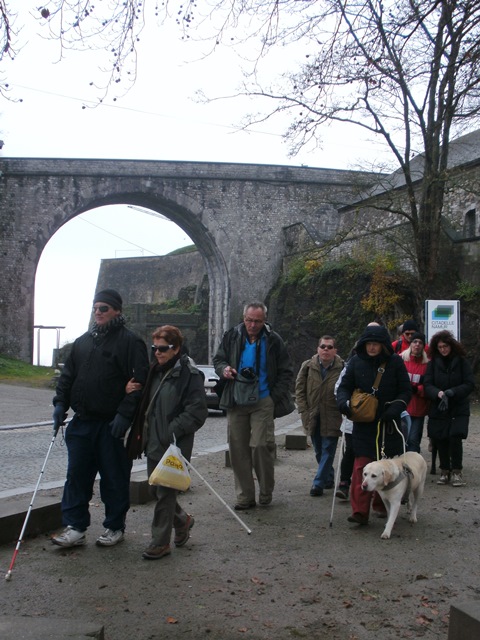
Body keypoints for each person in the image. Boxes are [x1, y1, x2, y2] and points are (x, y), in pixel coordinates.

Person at [51, 289, 150, 548]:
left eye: (104, 308)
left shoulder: (131, 342)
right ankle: (75, 526)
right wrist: (60, 404)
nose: (98, 312)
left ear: (117, 310)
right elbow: (67, 377)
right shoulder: (82, 342)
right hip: (82, 422)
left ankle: (114, 526)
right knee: (76, 476)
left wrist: (124, 415)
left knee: (114, 478)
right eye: (95, 308)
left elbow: (140, 382)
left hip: (111, 425)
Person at [128, 325, 208, 560]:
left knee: (164, 493)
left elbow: (197, 411)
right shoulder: (155, 370)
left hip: (174, 445)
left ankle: (160, 543)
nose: (158, 352)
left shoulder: (189, 374)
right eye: (155, 348)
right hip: (154, 441)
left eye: (163, 348)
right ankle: (183, 520)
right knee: (155, 488)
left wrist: (171, 431)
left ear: (177, 348)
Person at [213, 301, 294, 510]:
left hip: (263, 400)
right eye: (249, 320)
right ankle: (245, 497)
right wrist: (224, 370)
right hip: (236, 399)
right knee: (237, 450)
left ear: (264, 320)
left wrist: (273, 397)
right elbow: (218, 360)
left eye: (257, 321)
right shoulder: (231, 336)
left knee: (260, 446)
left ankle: (266, 491)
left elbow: (286, 371)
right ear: (244, 318)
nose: (252, 325)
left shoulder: (274, 340)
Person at [336, 324, 412, 525]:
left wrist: (395, 409)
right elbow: (344, 387)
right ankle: (360, 511)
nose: (371, 347)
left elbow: (405, 390)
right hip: (364, 424)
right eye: (369, 343)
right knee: (362, 467)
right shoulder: (355, 362)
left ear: (383, 345)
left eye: (375, 344)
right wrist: (344, 404)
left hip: (388, 424)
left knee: (386, 469)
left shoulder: (395, 363)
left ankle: (381, 505)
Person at [424, 330, 475, 487]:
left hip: (458, 405)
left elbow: (469, 384)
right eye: (440, 347)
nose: (443, 349)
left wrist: (454, 392)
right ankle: (445, 470)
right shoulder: (433, 363)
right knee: (441, 438)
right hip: (439, 406)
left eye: (445, 346)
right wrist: (437, 393)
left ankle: (457, 471)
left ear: (451, 346)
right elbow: (427, 384)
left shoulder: (461, 362)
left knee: (455, 437)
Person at [295, 335, 344, 497]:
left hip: (333, 415)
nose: (326, 350)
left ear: (335, 350)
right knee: (318, 450)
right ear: (318, 349)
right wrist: (303, 409)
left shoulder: (342, 367)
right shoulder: (308, 366)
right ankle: (328, 477)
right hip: (312, 415)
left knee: (328, 450)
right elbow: (299, 389)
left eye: (330, 347)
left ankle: (318, 484)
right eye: (323, 346)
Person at [402, 332, 430, 453]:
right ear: (410, 344)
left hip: (419, 407)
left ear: (423, 346)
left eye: (420, 342)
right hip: (402, 406)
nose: (417, 345)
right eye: (415, 342)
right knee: (402, 438)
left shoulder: (427, 365)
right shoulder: (400, 360)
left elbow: (429, 385)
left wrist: (418, 389)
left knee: (413, 439)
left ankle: (413, 467)